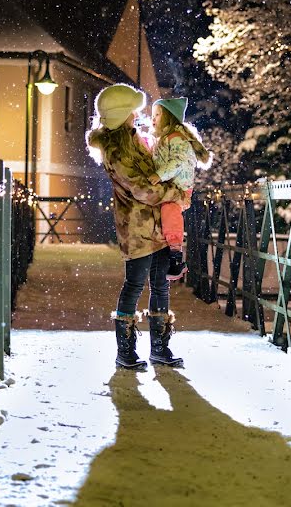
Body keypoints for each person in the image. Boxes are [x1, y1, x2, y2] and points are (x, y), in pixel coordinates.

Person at [86, 84, 186, 370]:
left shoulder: (136, 140)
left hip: (158, 227)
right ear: (122, 115)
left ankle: (159, 348)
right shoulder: (116, 152)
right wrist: (174, 195)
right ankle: (125, 351)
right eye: (133, 111)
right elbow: (141, 188)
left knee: (160, 286)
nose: (138, 115)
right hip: (137, 228)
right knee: (134, 285)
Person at [147, 97, 212, 280]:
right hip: (169, 185)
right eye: (152, 115)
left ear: (169, 117)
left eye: (157, 115)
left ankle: (175, 254)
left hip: (179, 188)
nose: (153, 118)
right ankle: (165, 253)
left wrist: (159, 175)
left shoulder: (176, 138)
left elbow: (178, 161)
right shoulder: (163, 138)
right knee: (163, 214)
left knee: (170, 210)